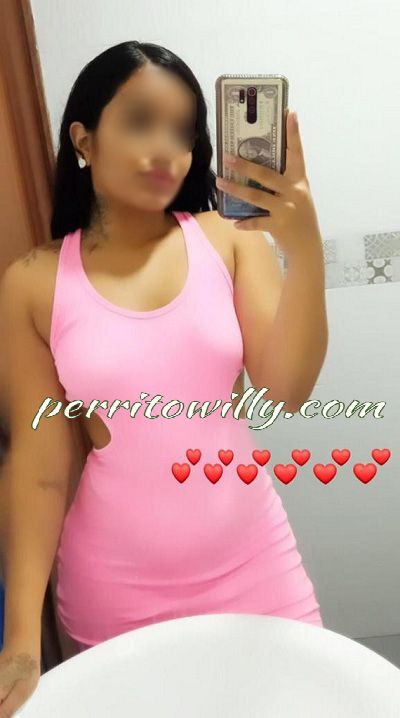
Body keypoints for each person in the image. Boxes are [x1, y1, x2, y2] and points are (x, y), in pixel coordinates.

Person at [0, 40, 324, 714]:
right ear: (84, 139)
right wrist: (22, 637)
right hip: (117, 592)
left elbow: (287, 391)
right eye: (141, 121)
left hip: (257, 568)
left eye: (181, 131)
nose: (165, 150)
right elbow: (39, 471)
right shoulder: (32, 283)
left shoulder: (228, 241)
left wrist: (303, 249)